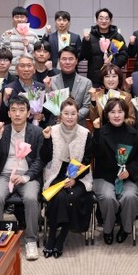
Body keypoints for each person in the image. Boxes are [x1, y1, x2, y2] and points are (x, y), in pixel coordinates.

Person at [0, 95, 44, 261]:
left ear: (28, 113)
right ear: (9, 113)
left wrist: (26, 177)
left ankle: (31, 240)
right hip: (5, 175)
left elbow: (40, 160)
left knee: (31, 198)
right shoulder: (2, 131)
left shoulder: (37, 132)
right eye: (13, 110)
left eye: (21, 110)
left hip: (27, 176)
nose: (17, 114)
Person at [40, 98, 93, 258]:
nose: (70, 117)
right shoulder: (52, 131)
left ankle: (59, 238)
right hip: (56, 174)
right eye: (66, 113)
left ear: (78, 115)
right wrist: (46, 139)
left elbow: (86, 160)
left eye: (73, 114)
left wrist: (75, 178)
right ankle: (53, 237)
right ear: (60, 115)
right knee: (60, 196)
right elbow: (44, 158)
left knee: (71, 197)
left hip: (79, 177)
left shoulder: (85, 133)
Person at [92, 98, 138, 244]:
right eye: (112, 112)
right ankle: (107, 229)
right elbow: (94, 153)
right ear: (107, 115)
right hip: (104, 176)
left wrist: (129, 171)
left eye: (120, 112)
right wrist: (96, 131)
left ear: (125, 113)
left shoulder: (134, 134)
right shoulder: (101, 132)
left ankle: (126, 229)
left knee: (130, 196)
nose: (116, 115)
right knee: (108, 198)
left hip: (126, 177)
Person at [81, 8, 129, 87]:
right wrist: (86, 42)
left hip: (112, 78)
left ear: (110, 21)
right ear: (96, 20)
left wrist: (112, 64)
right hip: (94, 78)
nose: (104, 21)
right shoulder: (90, 37)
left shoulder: (117, 37)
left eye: (106, 18)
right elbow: (85, 55)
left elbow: (124, 55)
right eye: (101, 18)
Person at [49, 46, 92, 123]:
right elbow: (49, 106)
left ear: (76, 61)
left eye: (71, 59)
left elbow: (87, 107)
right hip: (56, 124)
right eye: (64, 59)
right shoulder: (51, 81)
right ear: (59, 61)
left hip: (78, 124)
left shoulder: (86, 83)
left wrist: (73, 117)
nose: (67, 62)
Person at [0, 54, 46, 125]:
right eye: (22, 66)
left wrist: (42, 116)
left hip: (37, 129)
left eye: (29, 66)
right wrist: (5, 101)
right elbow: (2, 117)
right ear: (16, 69)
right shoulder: (8, 89)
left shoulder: (41, 88)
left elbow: (46, 113)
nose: (26, 69)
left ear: (34, 69)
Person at [0, 6, 38, 73]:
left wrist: (28, 46)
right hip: (11, 71)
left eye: (22, 17)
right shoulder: (6, 34)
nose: (19, 19)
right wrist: (7, 40)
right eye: (17, 17)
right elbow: (3, 54)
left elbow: (37, 54)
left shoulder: (33, 35)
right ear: (13, 19)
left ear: (26, 19)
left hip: (28, 72)